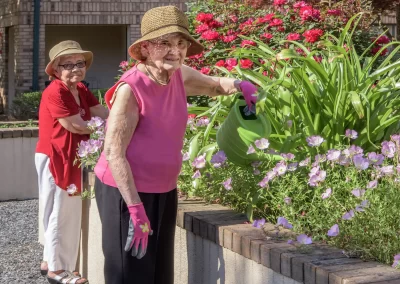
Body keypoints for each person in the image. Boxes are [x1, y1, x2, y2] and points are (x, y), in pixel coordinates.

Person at [93, 5, 258, 284]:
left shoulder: (177, 74)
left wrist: (240, 84)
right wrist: (134, 208)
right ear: (145, 48)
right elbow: (113, 153)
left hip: (164, 191)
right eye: (164, 43)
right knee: (130, 275)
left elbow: (213, 85)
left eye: (181, 43)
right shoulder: (131, 89)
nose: (175, 51)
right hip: (126, 193)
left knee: (159, 274)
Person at [35, 40, 108, 284]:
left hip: (68, 154)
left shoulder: (81, 89)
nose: (76, 68)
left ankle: (51, 260)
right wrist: (108, 131)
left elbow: (101, 112)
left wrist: (128, 115)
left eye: (80, 63)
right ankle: (58, 270)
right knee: (62, 211)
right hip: (56, 154)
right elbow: (74, 125)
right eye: (68, 65)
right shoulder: (56, 91)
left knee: (57, 208)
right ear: (56, 70)